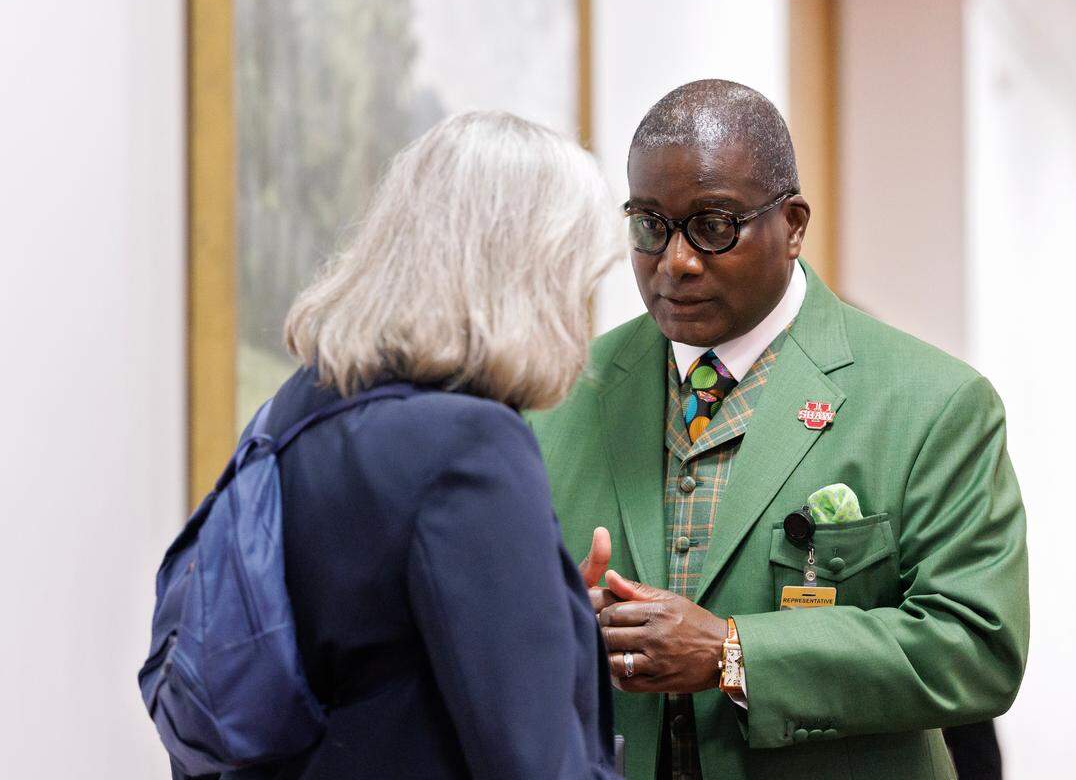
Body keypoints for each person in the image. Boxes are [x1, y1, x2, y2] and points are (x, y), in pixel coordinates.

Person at [527, 80, 1029, 780]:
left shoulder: (934, 404)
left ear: (792, 224)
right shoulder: (560, 391)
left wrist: (734, 654)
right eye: (649, 223)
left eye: (713, 225)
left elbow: (977, 648)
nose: (676, 261)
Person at [180, 112, 623, 779]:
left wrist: (543, 601)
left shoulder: (298, 409)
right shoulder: (472, 448)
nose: (578, 314)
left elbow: (374, 648)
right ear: (528, 273)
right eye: (577, 281)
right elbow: (537, 763)